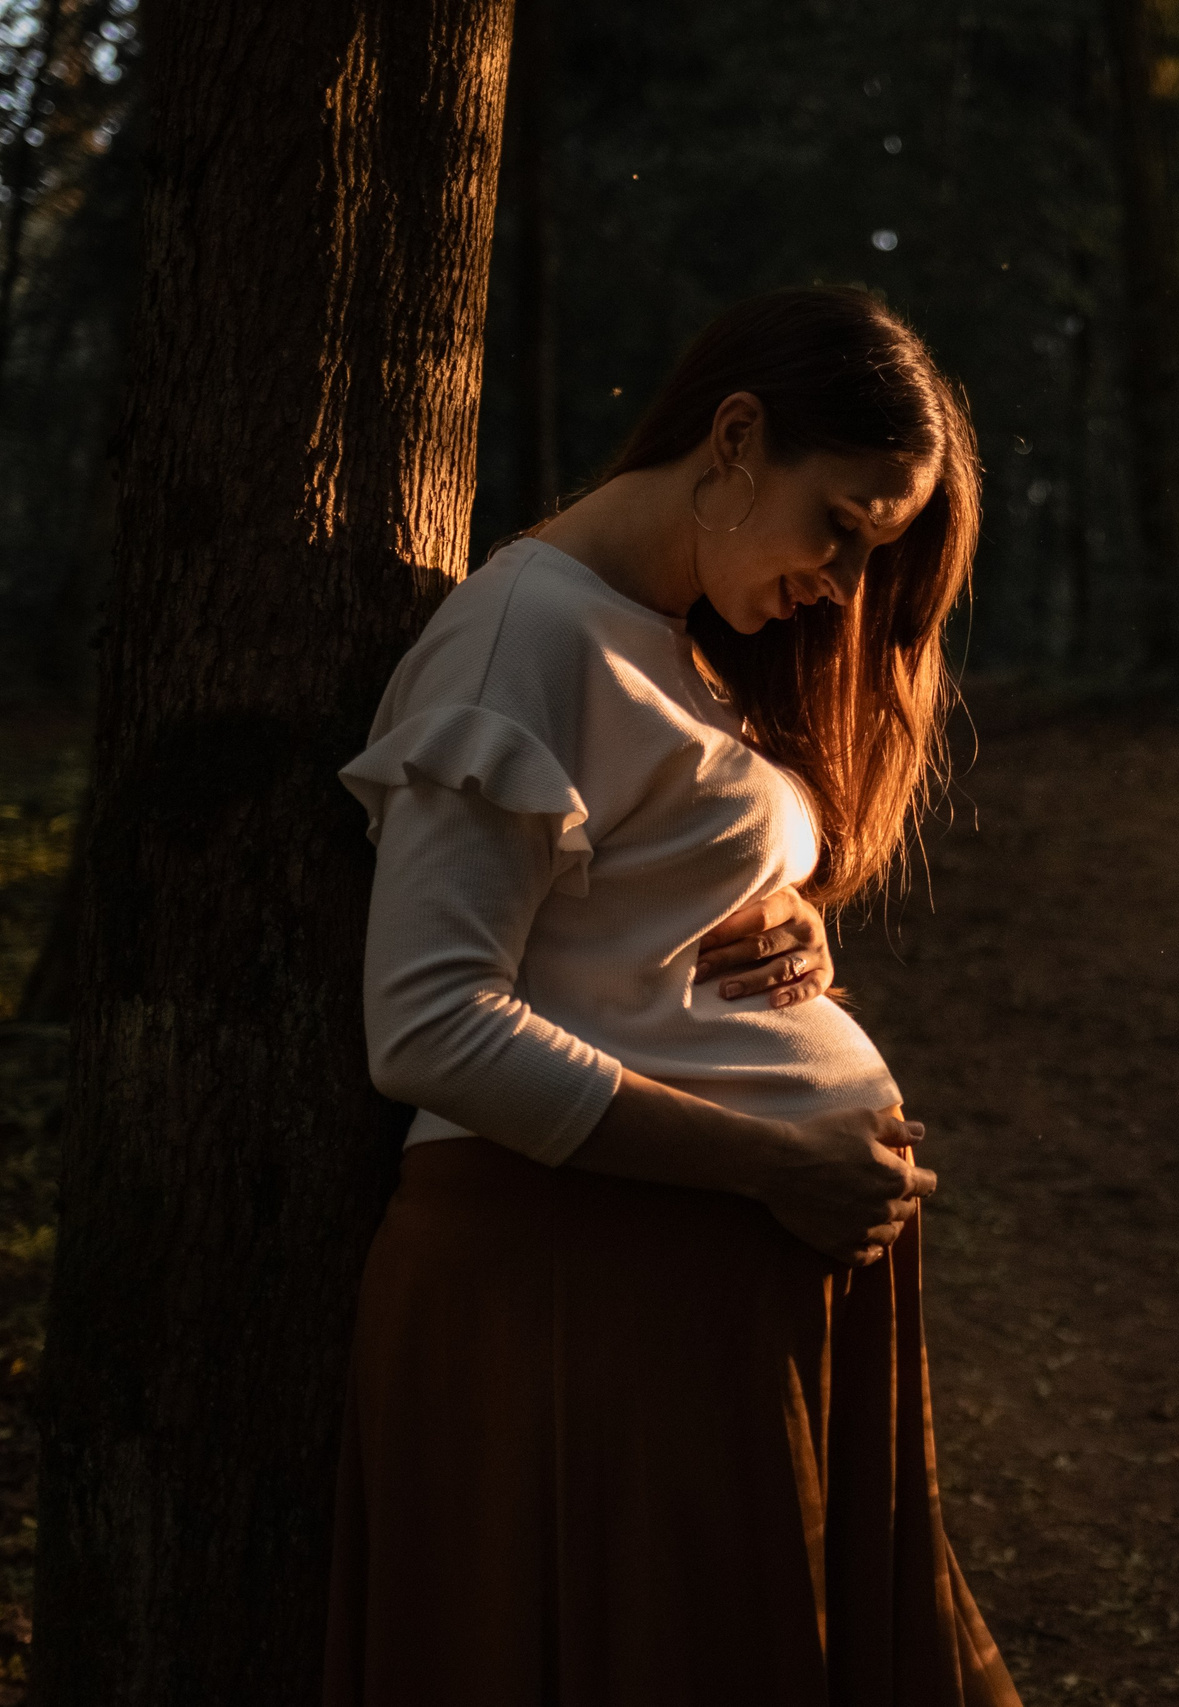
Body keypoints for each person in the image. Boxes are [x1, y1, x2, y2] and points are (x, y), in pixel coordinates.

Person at [323, 286, 1019, 1707]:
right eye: (843, 525)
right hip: (585, 1284)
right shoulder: (524, 636)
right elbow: (431, 1025)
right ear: (738, 436)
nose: (849, 583)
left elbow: (629, 915)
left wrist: (785, 915)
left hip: (687, 1283)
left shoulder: (674, 635)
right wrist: (775, 1165)